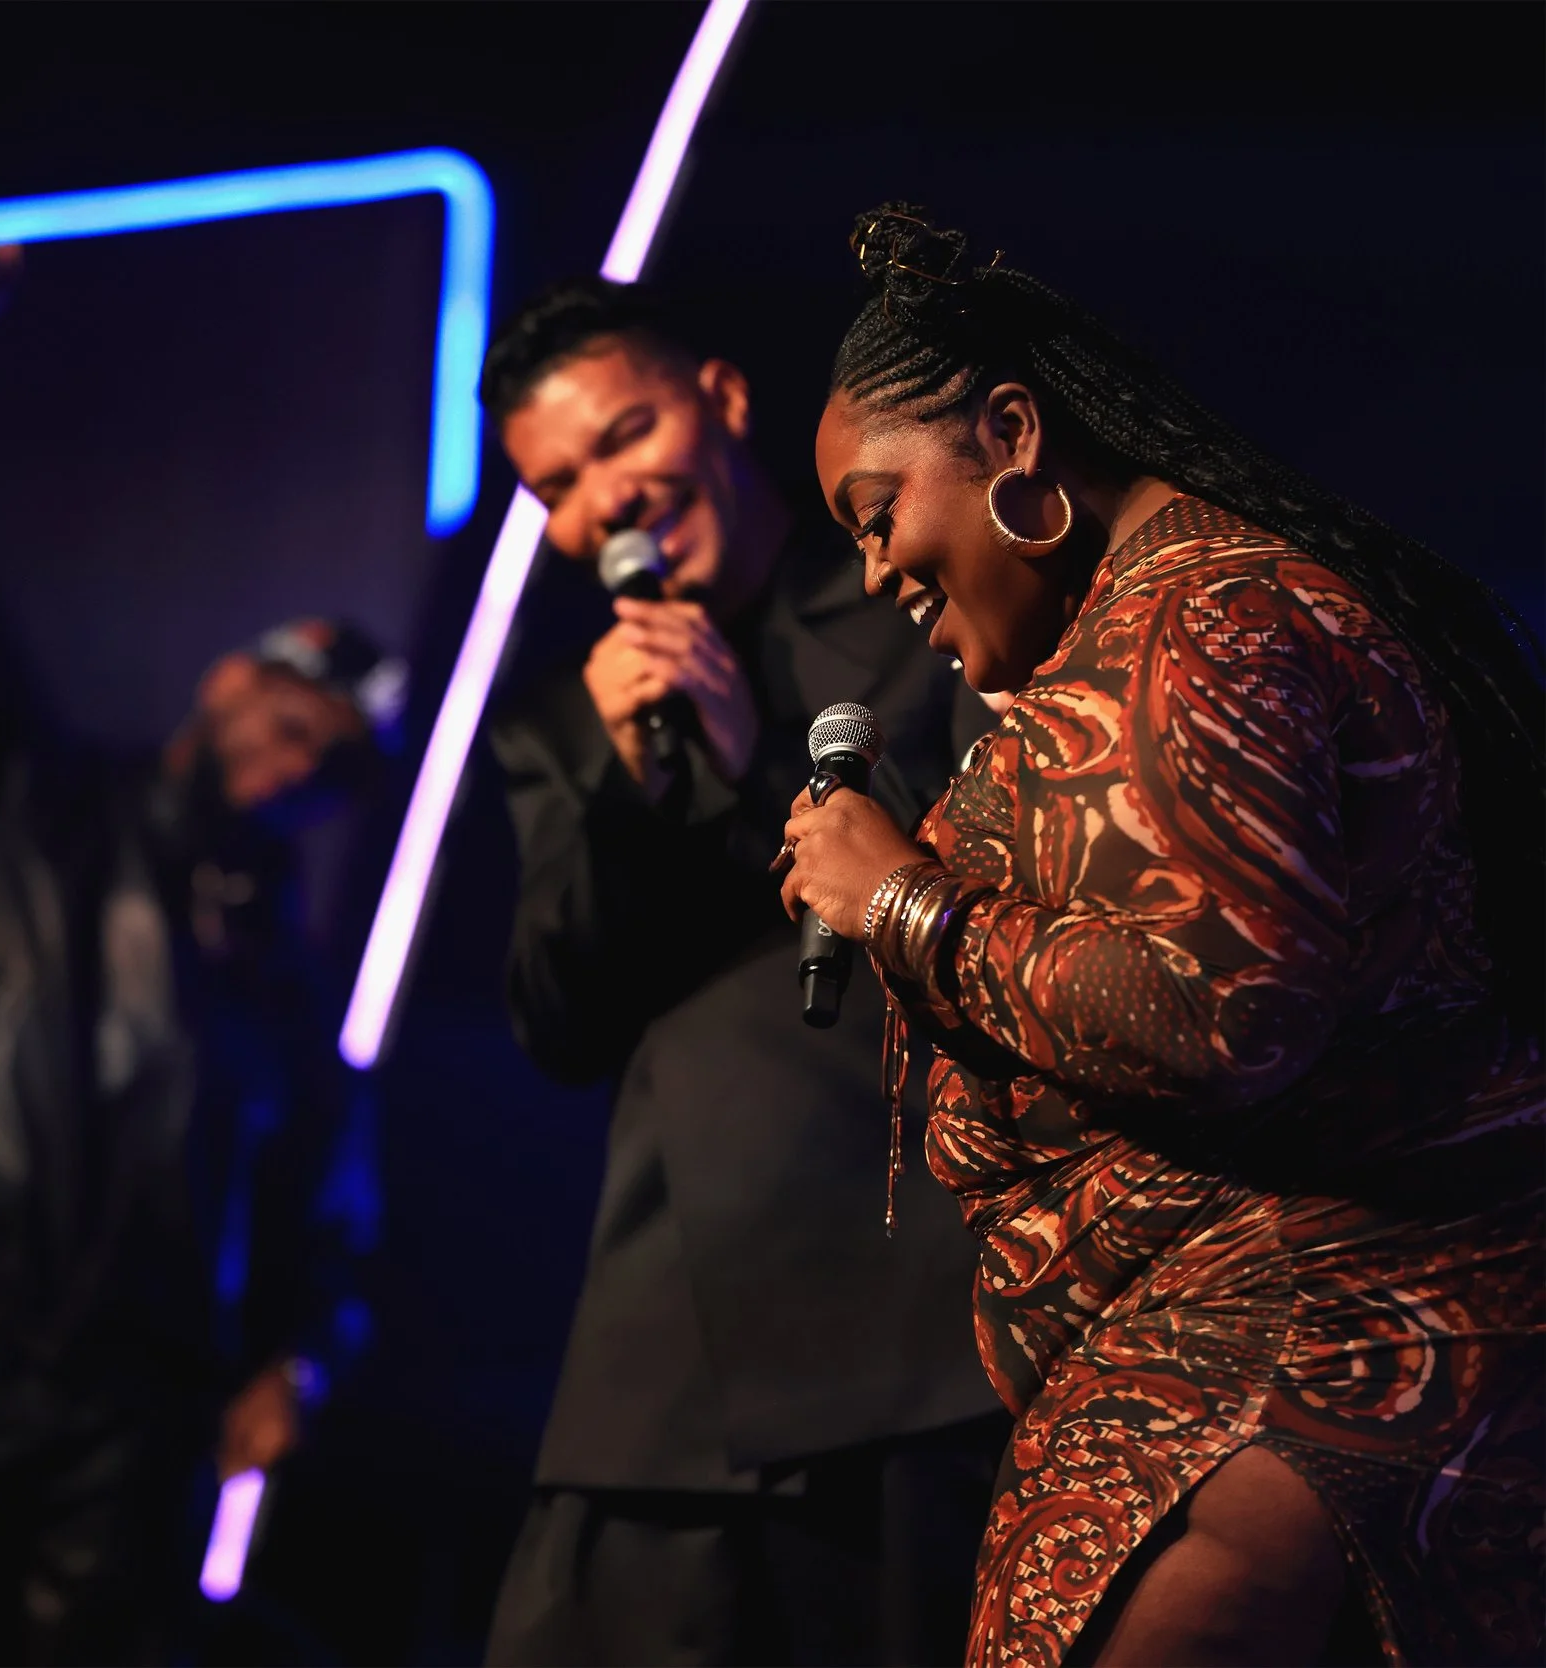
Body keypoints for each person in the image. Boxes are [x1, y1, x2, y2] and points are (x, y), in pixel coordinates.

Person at [779, 204, 1545, 1668]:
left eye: (879, 515)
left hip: (1300, 1351)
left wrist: (903, 900)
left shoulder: (1207, 618)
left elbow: (1223, 1011)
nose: (877, 573)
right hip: (1252, 1357)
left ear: (1012, 437)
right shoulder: (1164, 619)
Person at [0, 240, 390, 1667]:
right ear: (228, 681)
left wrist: (295, 1357)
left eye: (330, 758)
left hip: (140, 1402)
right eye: (290, 716)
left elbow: (327, 1195)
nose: (295, 759)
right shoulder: (24, 802)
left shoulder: (283, 970)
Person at [476, 277, 1007, 1666]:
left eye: (622, 436)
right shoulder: (561, 724)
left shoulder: (918, 604)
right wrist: (613, 778)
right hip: (667, 1361)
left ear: (720, 399)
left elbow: (987, 899)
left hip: (909, 1313)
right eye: (557, 486)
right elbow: (557, 1014)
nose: (604, 500)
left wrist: (751, 756)